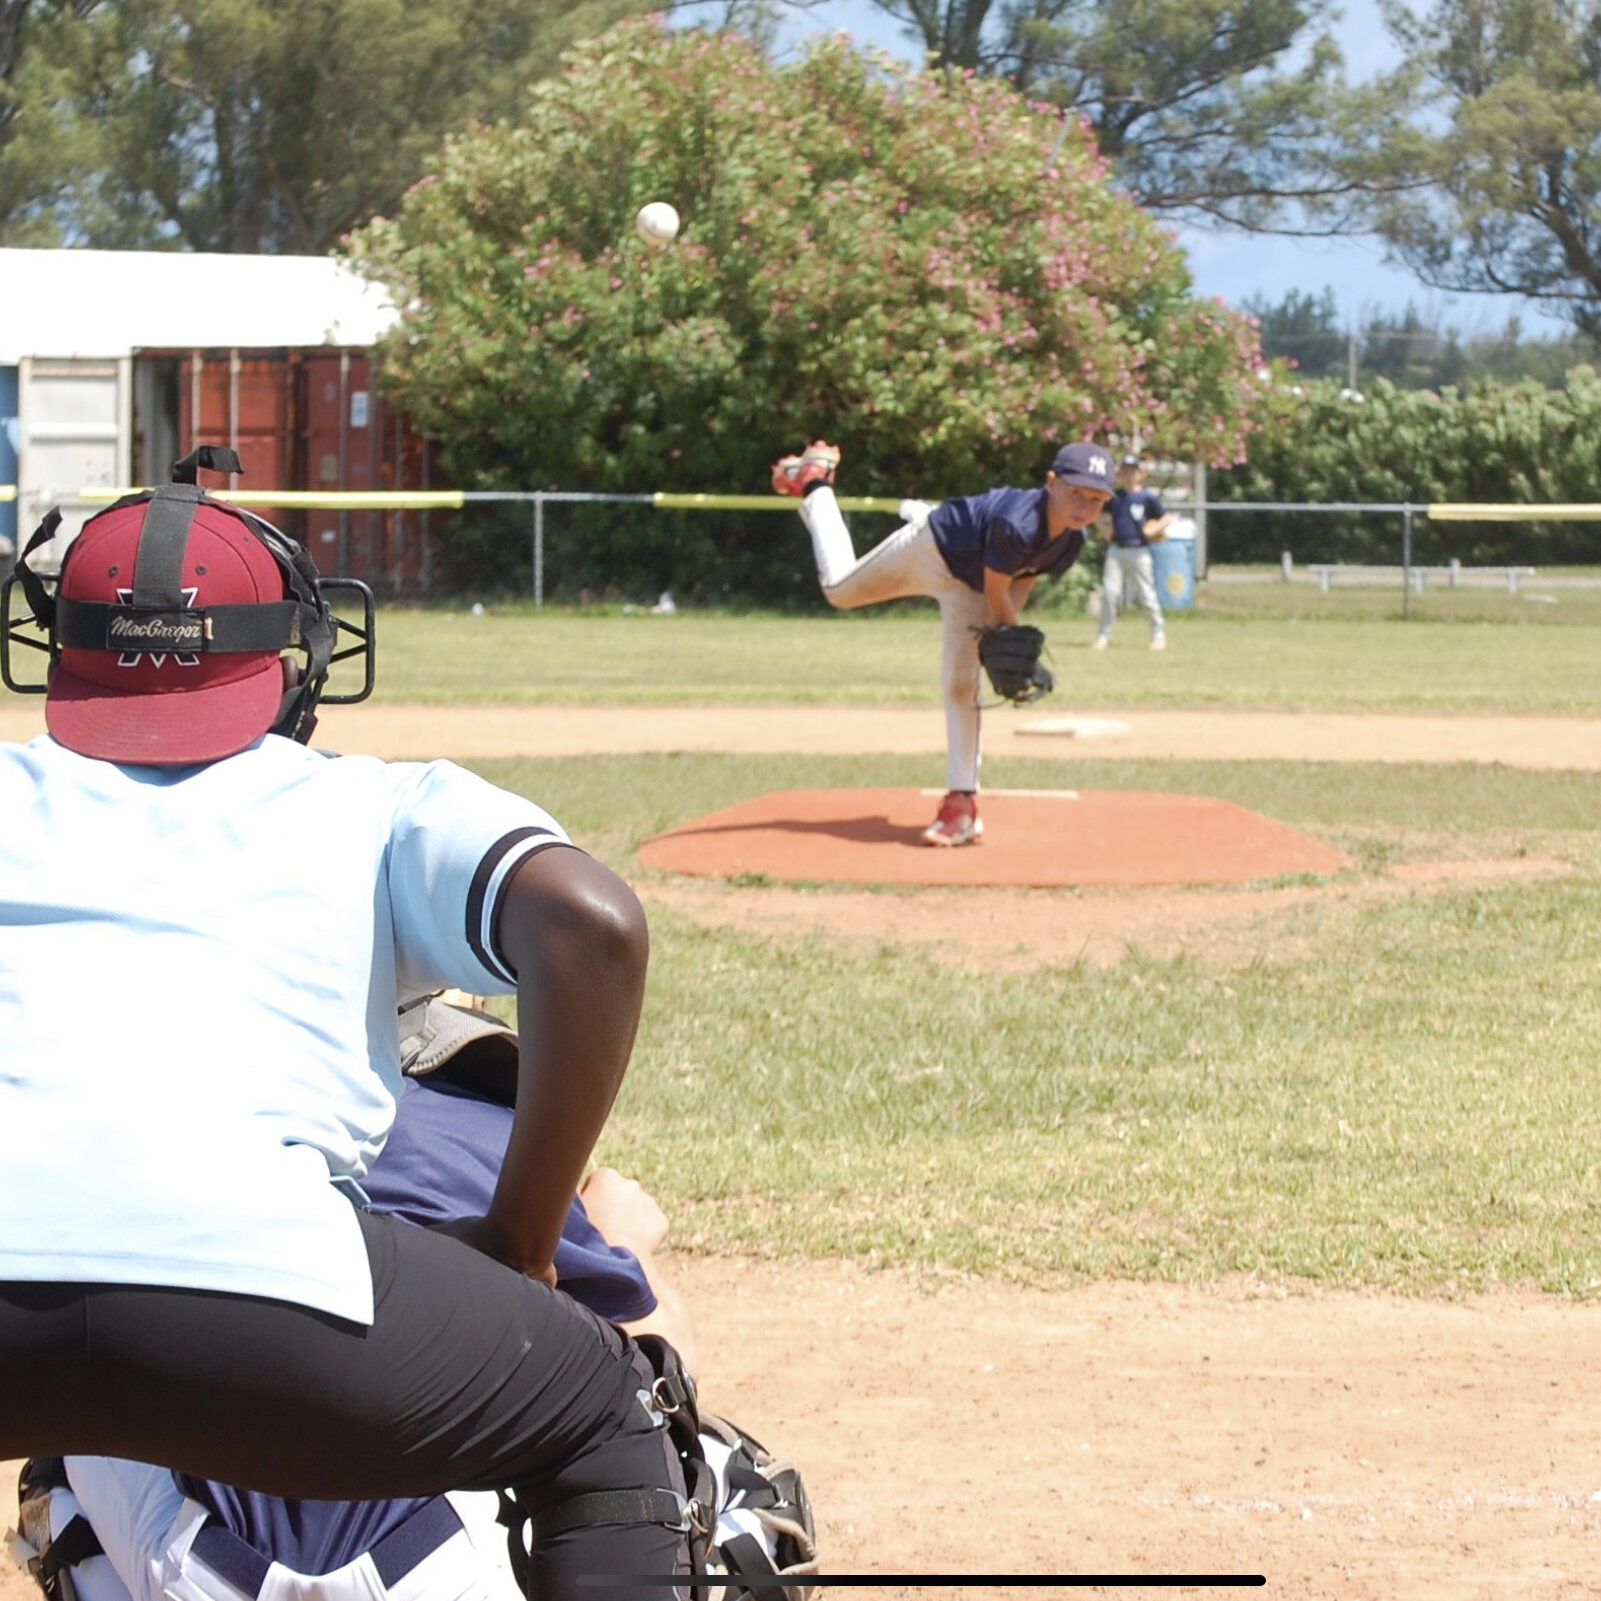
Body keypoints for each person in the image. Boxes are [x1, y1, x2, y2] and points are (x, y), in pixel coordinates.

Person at [0, 453, 699, 1598]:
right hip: (258, 1297)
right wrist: (522, 1236)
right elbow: (592, 922)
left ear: (57, 646)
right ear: (289, 660)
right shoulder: (365, 802)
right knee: (605, 1418)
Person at [18, 996, 815, 1601]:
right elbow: (660, 1357)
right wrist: (621, 1239)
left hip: (190, 1571)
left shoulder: (161, 1119)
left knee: (74, 1448)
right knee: (725, 1480)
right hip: (443, 1572)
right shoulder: (470, 1126)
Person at [770, 438, 1115, 847]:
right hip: (932, 549)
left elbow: (1023, 578)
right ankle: (816, 485)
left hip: (972, 583)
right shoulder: (1017, 521)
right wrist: (1005, 628)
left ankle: (961, 805)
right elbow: (997, 586)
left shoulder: (1071, 541)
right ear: (1052, 482)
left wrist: (1007, 632)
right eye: (1076, 492)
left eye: (1095, 499)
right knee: (839, 589)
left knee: (961, 686)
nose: (1083, 506)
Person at [1093, 453, 1172, 652]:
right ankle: (1104, 635)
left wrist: (1155, 529)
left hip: (1139, 550)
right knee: (1110, 594)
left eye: (1133, 471)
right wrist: (1104, 528)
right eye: (1125, 471)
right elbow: (1097, 513)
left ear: (1141, 474)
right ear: (1120, 474)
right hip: (1117, 549)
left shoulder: (1146, 498)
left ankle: (1158, 635)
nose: (1129, 475)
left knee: (1147, 595)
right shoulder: (1115, 496)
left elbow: (1166, 516)